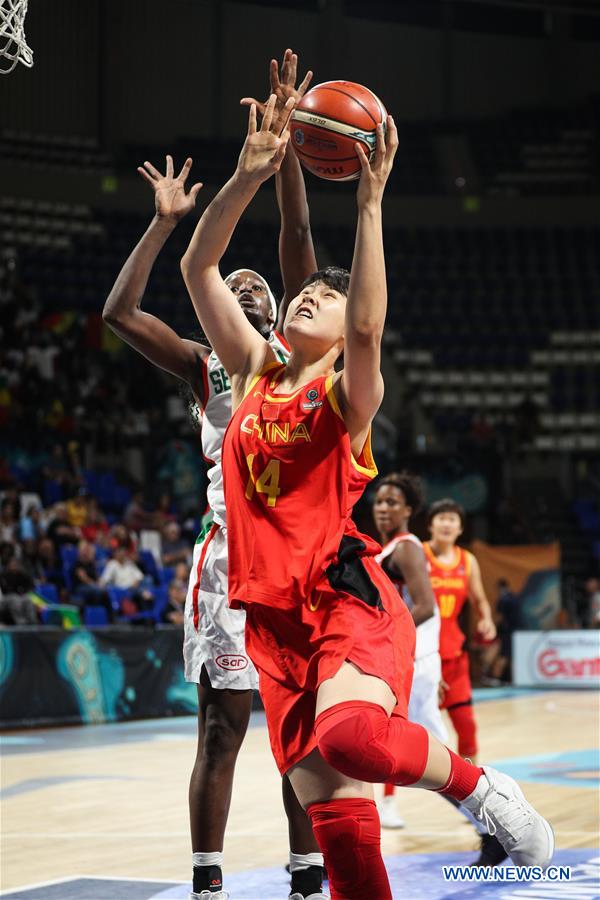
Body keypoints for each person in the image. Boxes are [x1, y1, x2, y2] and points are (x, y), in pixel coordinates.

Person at [181, 94, 554, 899]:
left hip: (343, 597)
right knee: (343, 838)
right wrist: (247, 176)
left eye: (328, 295)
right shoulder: (252, 372)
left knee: (353, 738)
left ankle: (483, 791)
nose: (308, 294)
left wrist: (370, 204)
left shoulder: (348, 398)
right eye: (305, 292)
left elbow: (368, 331)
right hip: (269, 623)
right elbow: (198, 268)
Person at [103, 50, 325, 900]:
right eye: (232, 283)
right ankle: (206, 882)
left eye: (256, 285)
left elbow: (296, 242)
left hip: (300, 558)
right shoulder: (208, 365)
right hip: (231, 556)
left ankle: (308, 875)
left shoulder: (299, 351)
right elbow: (120, 313)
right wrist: (165, 224)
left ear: (281, 305)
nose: (246, 288)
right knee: (223, 729)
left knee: (301, 730)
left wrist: (285, 151)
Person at [373, 474, 507, 867]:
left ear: (409, 510)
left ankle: (494, 824)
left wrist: (380, 634)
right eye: (379, 501)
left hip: (413, 667)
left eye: (393, 502)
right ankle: (327, 852)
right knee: (367, 750)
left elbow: (425, 608)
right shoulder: (390, 549)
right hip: (408, 665)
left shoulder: (407, 548)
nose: (383, 508)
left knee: (436, 761)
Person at [424, 499, 496, 762]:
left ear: (460, 528)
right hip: (422, 657)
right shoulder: (417, 554)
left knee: (467, 726)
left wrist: (486, 619)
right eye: (441, 518)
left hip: (454, 658)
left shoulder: (468, 560)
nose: (446, 523)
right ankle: (392, 790)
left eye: (452, 519)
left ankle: (472, 784)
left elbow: (480, 600)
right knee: (411, 728)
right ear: (430, 525)